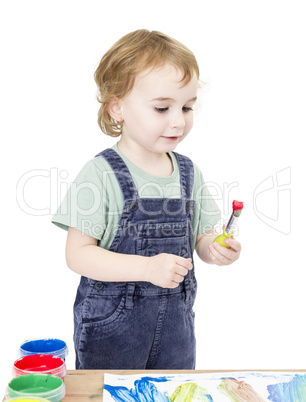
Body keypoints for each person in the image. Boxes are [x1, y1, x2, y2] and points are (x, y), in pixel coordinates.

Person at [52, 29, 241, 370]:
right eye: (161, 108)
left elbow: (202, 237)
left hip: (176, 335)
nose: (178, 121)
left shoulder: (188, 173)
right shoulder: (101, 174)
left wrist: (215, 247)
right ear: (117, 108)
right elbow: (77, 255)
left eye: (187, 107)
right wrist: (146, 268)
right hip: (111, 334)